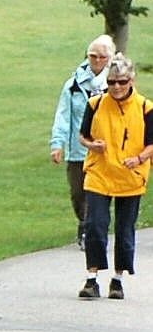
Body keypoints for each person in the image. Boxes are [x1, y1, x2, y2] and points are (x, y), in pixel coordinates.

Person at [76, 53, 151, 300]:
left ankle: (117, 280)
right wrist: (92, 145)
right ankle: (92, 278)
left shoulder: (145, 107)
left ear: (131, 80)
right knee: (95, 225)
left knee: (124, 229)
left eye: (121, 81)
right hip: (100, 172)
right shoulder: (95, 104)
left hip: (131, 176)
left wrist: (139, 158)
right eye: (111, 82)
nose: (116, 87)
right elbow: (82, 135)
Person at [51, 36, 115, 247]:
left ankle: (93, 231)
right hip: (79, 150)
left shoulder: (116, 84)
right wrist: (57, 144)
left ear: (109, 58)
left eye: (102, 57)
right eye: (93, 56)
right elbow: (63, 115)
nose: (97, 60)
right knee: (78, 193)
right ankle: (84, 223)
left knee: (99, 193)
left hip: (106, 150)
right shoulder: (73, 86)